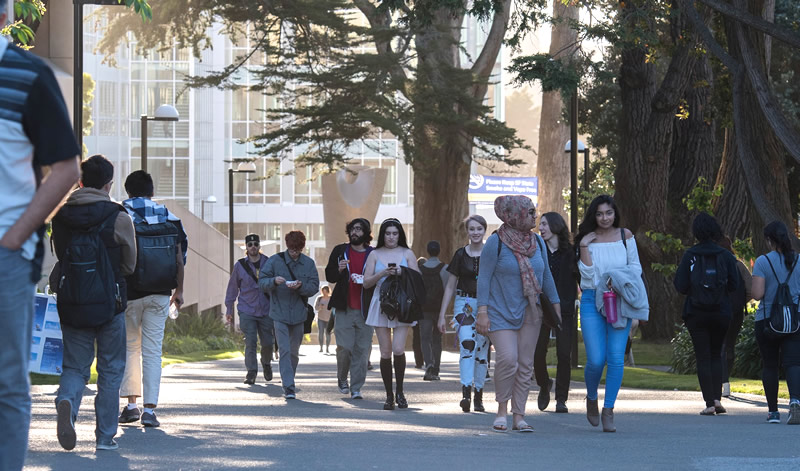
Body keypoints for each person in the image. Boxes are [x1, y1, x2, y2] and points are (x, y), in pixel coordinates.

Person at [0, 19, 81, 467]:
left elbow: (67, 169)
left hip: (6, 258)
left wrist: (14, 237)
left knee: (6, 381)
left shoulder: (29, 76)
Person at [50, 155, 135, 452]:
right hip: (109, 304)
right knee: (110, 370)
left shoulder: (61, 216)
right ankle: (104, 437)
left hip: (73, 302)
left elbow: (61, 255)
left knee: (75, 366)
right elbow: (129, 263)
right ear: (109, 184)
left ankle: (67, 401)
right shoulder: (118, 215)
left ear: (80, 181)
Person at [476, 196, 561, 433]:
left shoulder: (538, 243)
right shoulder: (496, 242)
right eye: (530, 212)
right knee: (508, 359)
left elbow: (546, 277)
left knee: (525, 363)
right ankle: (501, 410)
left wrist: (555, 308)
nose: (535, 216)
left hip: (531, 311)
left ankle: (519, 416)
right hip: (499, 310)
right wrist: (482, 311)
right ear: (515, 215)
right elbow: (483, 278)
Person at [119, 170, 187, 428]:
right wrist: (179, 291)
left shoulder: (120, 212)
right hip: (160, 293)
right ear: (152, 191)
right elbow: (180, 257)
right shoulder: (169, 216)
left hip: (129, 292)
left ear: (127, 191)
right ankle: (149, 411)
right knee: (152, 351)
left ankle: (131, 405)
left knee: (130, 348)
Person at [575, 194, 648, 432]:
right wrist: (584, 245)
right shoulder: (586, 240)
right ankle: (592, 397)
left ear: (615, 213)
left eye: (608, 213)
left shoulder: (626, 237)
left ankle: (609, 409)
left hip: (619, 299)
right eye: (599, 213)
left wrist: (616, 280)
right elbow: (586, 277)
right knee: (596, 359)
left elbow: (635, 268)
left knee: (616, 358)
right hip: (591, 300)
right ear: (593, 215)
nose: (604, 218)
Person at [674, 213, 740, 416]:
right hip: (721, 311)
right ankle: (718, 398)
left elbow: (680, 285)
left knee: (702, 356)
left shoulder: (690, 255)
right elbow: (735, 284)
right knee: (716, 353)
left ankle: (709, 402)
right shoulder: (726, 256)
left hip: (696, 312)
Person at [364, 218, 421, 410]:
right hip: (381, 303)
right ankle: (389, 395)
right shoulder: (374, 254)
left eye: (395, 233)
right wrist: (383, 274)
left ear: (400, 235)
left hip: (403, 304)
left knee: (398, 348)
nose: (391, 237)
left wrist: (401, 272)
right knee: (385, 351)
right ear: (383, 235)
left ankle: (400, 392)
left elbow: (417, 279)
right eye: (388, 233)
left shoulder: (408, 253)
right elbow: (366, 282)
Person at [259, 230, 320, 399]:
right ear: (287, 246)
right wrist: (274, 281)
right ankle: (289, 386)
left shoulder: (308, 263)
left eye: (298, 250)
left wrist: (300, 287)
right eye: (292, 249)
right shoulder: (274, 261)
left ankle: (289, 378)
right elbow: (262, 282)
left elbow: (314, 286)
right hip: (279, 312)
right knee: (284, 350)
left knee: (294, 351)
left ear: (302, 248)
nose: (294, 253)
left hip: (299, 314)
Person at [751, 221, 800, 424]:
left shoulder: (763, 262)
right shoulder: (798, 260)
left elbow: (757, 293)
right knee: (794, 363)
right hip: (795, 320)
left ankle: (772, 412)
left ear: (769, 240)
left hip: (767, 320)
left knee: (769, 364)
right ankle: (795, 402)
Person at [439, 216, 489, 412]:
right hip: (465, 303)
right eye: (471, 229)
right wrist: (442, 314)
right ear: (467, 231)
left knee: (482, 349)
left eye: (479, 229)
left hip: (486, 304)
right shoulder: (460, 254)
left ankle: (479, 394)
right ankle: (466, 392)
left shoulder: (491, 254)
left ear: (484, 230)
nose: (475, 232)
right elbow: (450, 285)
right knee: (467, 344)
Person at [533, 212, 579, 413]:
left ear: (555, 225)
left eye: (544, 224)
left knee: (563, 354)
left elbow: (581, 278)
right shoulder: (537, 250)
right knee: (537, 353)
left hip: (566, 309)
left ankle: (561, 399)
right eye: (540, 224)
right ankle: (544, 384)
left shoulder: (571, 253)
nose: (540, 228)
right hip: (541, 309)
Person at [324, 218, 375, 399]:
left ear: (366, 233)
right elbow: (329, 275)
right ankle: (342, 377)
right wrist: (338, 269)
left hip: (366, 309)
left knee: (362, 350)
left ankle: (356, 388)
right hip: (344, 307)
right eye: (352, 229)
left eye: (359, 229)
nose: (355, 232)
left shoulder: (373, 254)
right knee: (344, 347)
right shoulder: (340, 251)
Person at [225, 233, 274, 385]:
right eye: (250, 244)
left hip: (266, 309)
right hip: (247, 309)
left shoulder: (269, 263)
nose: (253, 247)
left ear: (259, 246)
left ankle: (266, 363)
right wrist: (229, 309)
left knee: (267, 342)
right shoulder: (240, 265)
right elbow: (232, 288)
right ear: (246, 247)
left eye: (255, 244)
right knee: (251, 341)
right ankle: (251, 372)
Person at [717, 236, 752, 397]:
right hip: (736, 313)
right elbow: (751, 289)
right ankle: (726, 381)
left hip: (717, 311)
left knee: (717, 346)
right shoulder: (739, 265)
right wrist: (739, 303)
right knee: (729, 345)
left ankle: (720, 381)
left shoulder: (715, 264)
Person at [419, 241, 448, 382]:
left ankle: (428, 364)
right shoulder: (444, 269)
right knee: (437, 339)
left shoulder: (420, 269)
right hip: (439, 309)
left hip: (424, 309)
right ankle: (436, 368)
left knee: (425, 338)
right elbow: (449, 290)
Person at [315, 286, 333, 353]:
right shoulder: (319, 298)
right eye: (323, 291)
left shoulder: (331, 298)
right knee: (321, 333)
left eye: (326, 291)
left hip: (329, 318)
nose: (324, 293)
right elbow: (316, 308)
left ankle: (327, 348)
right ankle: (321, 347)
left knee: (328, 333)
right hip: (320, 318)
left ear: (328, 291)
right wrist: (320, 307)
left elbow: (334, 308)